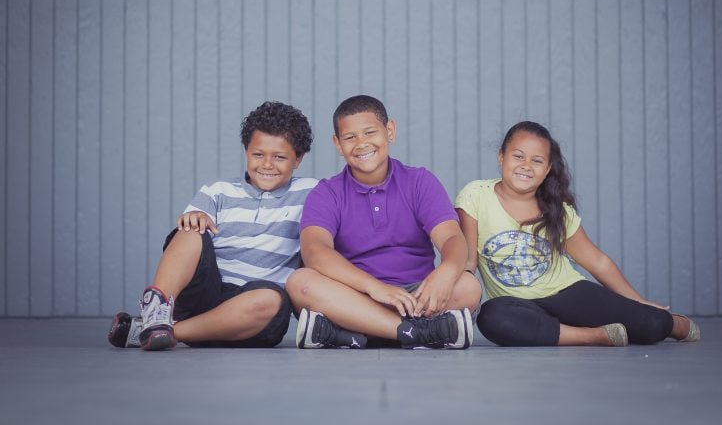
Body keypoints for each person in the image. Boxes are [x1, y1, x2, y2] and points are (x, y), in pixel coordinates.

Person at [455, 120, 701, 347]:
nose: (526, 166)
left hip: (568, 294)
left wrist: (637, 302)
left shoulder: (556, 209)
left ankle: (673, 322)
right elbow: (468, 261)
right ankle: (594, 336)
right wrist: (457, 295)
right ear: (501, 156)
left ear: (548, 168)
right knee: (492, 318)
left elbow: (597, 262)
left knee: (651, 325)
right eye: (518, 156)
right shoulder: (476, 195)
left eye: (537, 161)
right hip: (518, 305)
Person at [108, 101, 316, 351]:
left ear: (298, 159)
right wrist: (197, 216)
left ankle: (151, 331)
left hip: (249, 314)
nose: (267, 165)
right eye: (258, 154)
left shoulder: (311, 192)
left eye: (280, 157)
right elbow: (190, 233)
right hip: (204, 293)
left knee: (272, 300)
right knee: (191, 230)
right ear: (246, 152)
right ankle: (157, 309)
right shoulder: (218, 191)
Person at [286, 95, 481, 349]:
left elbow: (453, 239)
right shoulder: (327, 193)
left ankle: (351, 332)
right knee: (300, 283)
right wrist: (374, 288)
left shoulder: (419, 181)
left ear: (390, 131)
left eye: (370, 132)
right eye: (350, 137)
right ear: (337, 143)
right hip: (353, 294)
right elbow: (314, 252)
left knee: (468, 287)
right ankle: (415, 333)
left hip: (416, 295)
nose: (361, 144)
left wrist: (445, 272)